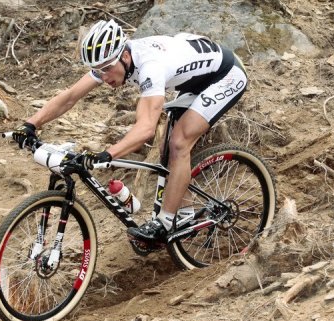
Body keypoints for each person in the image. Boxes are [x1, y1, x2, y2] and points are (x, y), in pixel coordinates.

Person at [12, 19, 248, 242]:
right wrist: (31, 124)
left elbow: (145, 128)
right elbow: (70, 96)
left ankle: (165, 222)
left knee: (179, 142)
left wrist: (107, 155)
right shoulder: (114, 61)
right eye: (98, 70)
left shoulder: (150, 67)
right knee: (169, 149)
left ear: (124, 55)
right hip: (191, 77)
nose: (103, 77)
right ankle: (185, 213)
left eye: (106, 69)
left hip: (225, 75)